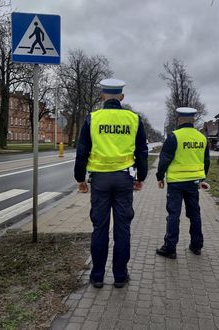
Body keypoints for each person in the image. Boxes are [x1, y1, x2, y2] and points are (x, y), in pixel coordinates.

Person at [74, 78, 148, 288]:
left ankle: (97, 276)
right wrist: (141, 178)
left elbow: (82, 152)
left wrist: (80, 179)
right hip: (124, 179)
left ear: (102, 96)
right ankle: (120, 276)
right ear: (122, 97)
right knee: (122, 229)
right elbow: (142, 152)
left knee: (100, 228)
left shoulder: (92, 118)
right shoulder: (134, 119)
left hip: (99, 180)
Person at [156, 107, 210, 259]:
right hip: (193, 183)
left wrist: (160, 177)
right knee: (195, 214)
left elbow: (164, 159)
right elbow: (206, 161)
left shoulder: (174, 137)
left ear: (179, 119)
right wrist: (202, 178)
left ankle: (170, 248)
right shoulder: (201, 138)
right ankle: (196, 245)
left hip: (176, 182)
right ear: (193, 119)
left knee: (173, 214)